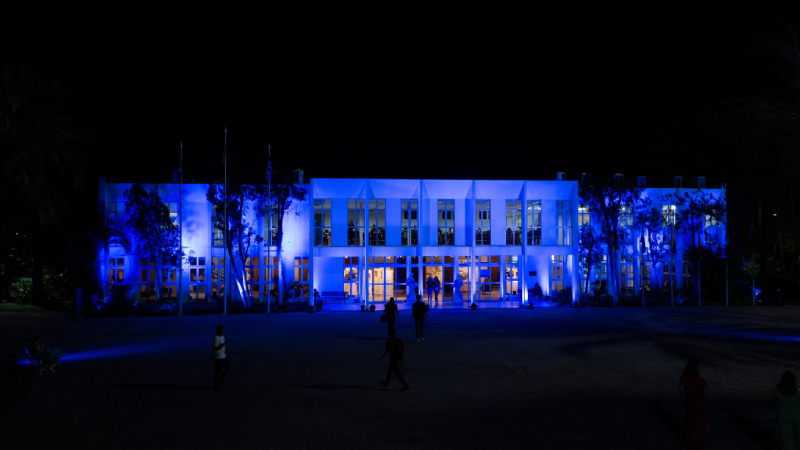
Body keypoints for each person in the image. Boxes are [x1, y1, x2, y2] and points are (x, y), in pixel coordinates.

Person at [679, 360, 707, 450]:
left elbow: (681, 391)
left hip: (689, 404)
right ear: (695, 368)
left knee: (688, 427)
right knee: (700, 429)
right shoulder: (701, 380)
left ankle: (688, 446)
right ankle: (700, 447)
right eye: (698, 366)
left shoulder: (683, 378)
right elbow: (706, 393)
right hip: (700, 406)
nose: (700, 368)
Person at [771, 370, 800, 449]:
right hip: (797, 417)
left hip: (783, 416)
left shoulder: (777, 391)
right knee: (796, 439)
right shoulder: (798, 392)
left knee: (786, 441)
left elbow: (772, 400)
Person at [212, 325, 231, 389]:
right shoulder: (216, 338)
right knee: (218, 371)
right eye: (221, 331)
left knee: (228, 367)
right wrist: (224, 344)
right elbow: (216, 347)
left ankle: (220, 381)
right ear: (217, 331)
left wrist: (224, 351)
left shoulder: (222, 336)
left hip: (223, 356)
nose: (222, 332)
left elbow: (222, 346)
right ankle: (216, 385)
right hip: (218, 358)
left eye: (223, 331)